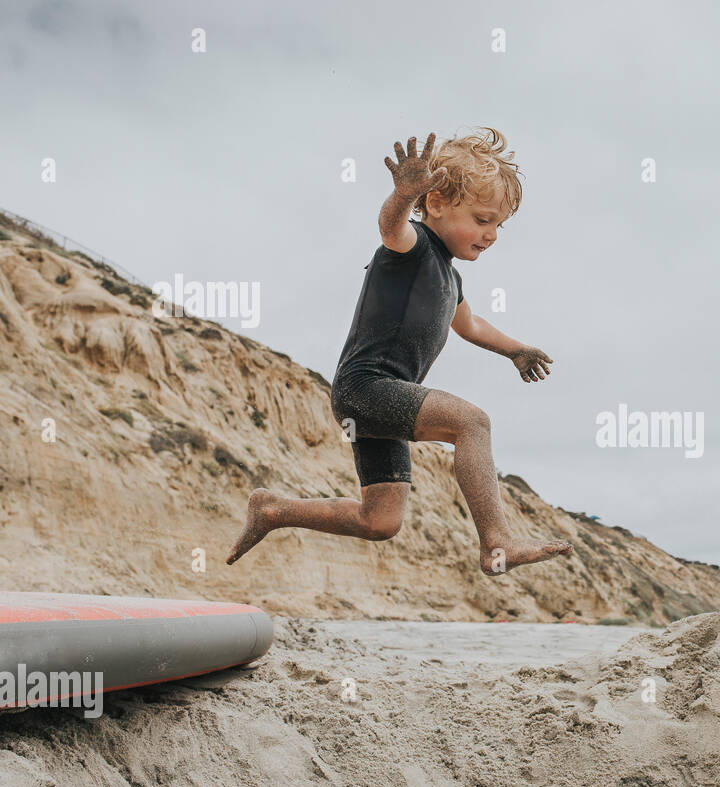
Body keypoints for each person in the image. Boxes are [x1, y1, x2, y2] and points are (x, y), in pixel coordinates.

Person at [226, 129, 573, 575]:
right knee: (472, 422)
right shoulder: (412, 247)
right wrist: (404, 195)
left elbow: (470, 325)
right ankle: (496, 542)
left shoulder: (451, 278)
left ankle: (273, 510)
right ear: (438, 203)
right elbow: (390, 227)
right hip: (366, 389)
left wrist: (517, 350)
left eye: (499, 226)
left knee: (380, 521)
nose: (492, 235)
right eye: (483, 220)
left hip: (380, 403)